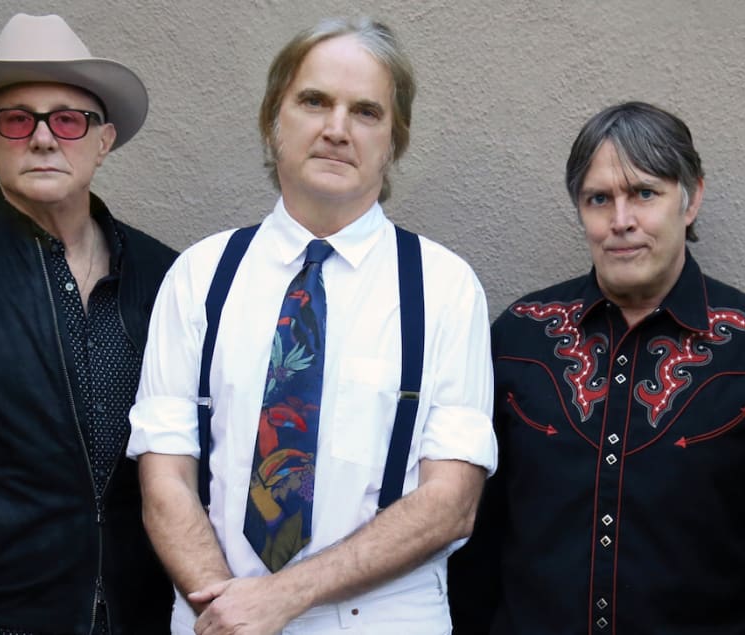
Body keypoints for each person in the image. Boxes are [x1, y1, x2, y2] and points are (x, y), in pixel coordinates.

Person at [127, 16, 496, 634]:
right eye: (314, 101)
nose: (336, 128)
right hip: (212, 618)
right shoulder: (200, 275)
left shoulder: (445, 288)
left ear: (393, 140)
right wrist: (225, 609)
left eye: (366, 111)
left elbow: (450, 504)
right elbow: (165, 477)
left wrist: (281, 598)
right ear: (275, 121)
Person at [448, 101, 745, 634]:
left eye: (645, 193)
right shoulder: (520, 338)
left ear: (690, 200)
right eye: (600, 199)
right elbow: (478, 535)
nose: (621, 221)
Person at [0, 13, 175, 635]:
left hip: (141, 613)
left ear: (102, 141)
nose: (44, 138)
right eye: (18, 118)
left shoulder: (166, 276)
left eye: (68, 119)